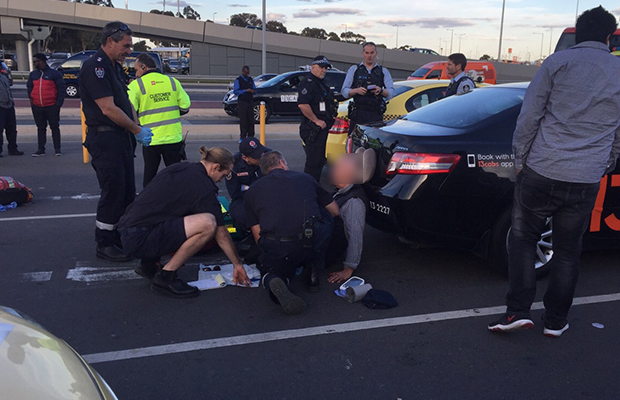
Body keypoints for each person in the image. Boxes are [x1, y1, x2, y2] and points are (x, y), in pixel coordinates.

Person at [488, 6, 620, 338]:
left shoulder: (557, 63)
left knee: (522, 239)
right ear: (609, 36)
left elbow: (529, 117)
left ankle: (517, 311)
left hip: (543, 169)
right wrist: (607, 161)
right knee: (568, 250)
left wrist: (520, 160)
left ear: (576, 32)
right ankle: (556, 321)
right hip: (586, 176)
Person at [118, 147, 251, 298]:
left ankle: (148, 264)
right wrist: (238, 264)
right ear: (215, 167)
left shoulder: (181, 167)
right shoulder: (203, 186)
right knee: (208, 223)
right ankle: (166, 277)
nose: (221, 180)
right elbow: (221, 234)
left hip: (129, 229)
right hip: (141, 239)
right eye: (224, 175)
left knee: (178, 213)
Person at [80, 21, 153, 262]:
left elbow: (126, 103)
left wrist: (137, 128)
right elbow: (108, 109)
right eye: (125, 45)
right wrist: (135, 130)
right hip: (105, 138)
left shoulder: (114, 67)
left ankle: (121, 236)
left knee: (126, 192)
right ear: (110, 41)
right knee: (113, 191)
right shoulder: (96, 67)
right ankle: (105, 242)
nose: (129, 51)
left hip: (120, 138)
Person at [244, 151, 339, 315]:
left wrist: (270, 252)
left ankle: (275, 278)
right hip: (311, 241)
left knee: (272, 270)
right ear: (281, 163)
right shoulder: (305, 178)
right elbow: (335, 211)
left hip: (279, 244)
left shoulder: (253, 190)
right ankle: (313, 270)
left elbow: (257, 232)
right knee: (322, 214)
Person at [128, 53, 191, 188]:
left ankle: (149, 204)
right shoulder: (172, 82)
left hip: (150, 138)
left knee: (150, 177)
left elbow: (129, 110)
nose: (136, 74)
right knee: (177, 177)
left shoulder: (136, 85)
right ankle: (179, 204)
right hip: (173, 138)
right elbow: (185, 106)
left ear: (144, 67)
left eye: (137, 69)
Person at [326, 154, 369, 284]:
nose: (332, 170)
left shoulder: (354, 202)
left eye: (337, 168)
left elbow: (355, 236)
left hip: (325, 253)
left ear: (349, 174)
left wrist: (348, 269)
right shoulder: (342, 191)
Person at [297, 55, 337, 182]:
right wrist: (316, 120)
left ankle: (314, 188)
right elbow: (303, 104)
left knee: (319, 162)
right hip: (313, 128)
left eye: (325, 68)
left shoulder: (321, 83)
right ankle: (308, 191)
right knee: (313, 164)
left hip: (322, 129)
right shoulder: (308, 82)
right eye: (321, 67)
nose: (324, 70)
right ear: (313, 67)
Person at [341, 42, 395, 133]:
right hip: (358, 113)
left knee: (374, 144)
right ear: (363, 53)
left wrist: (381, 91)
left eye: (372, 53)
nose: (369, 56)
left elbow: (392, 93)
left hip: (376, 115)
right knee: (355, 144)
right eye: (367, 53)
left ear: (376, 53)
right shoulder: (354, 69)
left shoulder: (383, 71)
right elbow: (344, 91)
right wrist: (356, 91)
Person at [226, 137, 270, 231]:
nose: (261, 157)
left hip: (267, 196)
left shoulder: (268, 157)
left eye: (261, 153)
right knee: (240, 213)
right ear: (245, 158)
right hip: (244, 199)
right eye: (257, 157)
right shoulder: (235, 166)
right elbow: (235, 193)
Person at [27, 53, 66, 157]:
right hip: (37, 106)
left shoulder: (54, 74)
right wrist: (32, 101)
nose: (34, 63)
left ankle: (57, 149)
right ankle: (41, 149)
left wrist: (58, 104)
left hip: (52, 105)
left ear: (42, 61)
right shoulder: (33, 75)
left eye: (36, 61)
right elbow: (29, 88)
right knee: (40, 127)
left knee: (54, 127)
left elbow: (61, 88)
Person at [0, 72, 23, 157]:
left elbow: (8, 90)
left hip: (9, 106)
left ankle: (13, 148)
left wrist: (11, 101)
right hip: (0, 106)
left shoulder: (3, 77)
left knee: (12, 129)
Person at [233, 66, 256, 141]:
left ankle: (251, 136)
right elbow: (236, 92)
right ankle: (242, 137)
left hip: (250, 101)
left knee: (251, 120)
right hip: (242, 102)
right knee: (243, 120)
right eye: (245, 73)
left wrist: (253, 91)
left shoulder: (250, 79)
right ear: (243, 72)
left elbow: (254, 88)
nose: (247, 74)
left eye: (248, 73)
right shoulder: (238, 80)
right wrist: (245, 91)